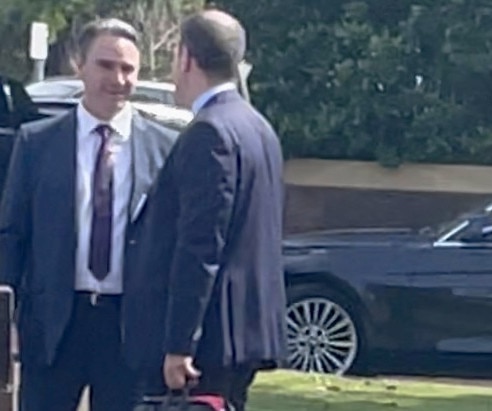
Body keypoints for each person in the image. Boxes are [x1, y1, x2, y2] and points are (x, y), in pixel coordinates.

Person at [0, 18, 178, 411]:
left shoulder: (166, 149)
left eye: (128, 68)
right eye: (106, 65)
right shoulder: (37, 144)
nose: (118, 78)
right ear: (80, 65)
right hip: (55, 325)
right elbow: (12, 235)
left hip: (128, 329)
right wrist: (6, 321)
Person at [125, 8, 287, 411]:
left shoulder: (209, 132)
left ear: (186, 58)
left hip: (207, 345)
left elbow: (201, 245)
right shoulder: (258, 128)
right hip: (243, 335)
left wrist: (179, 344)